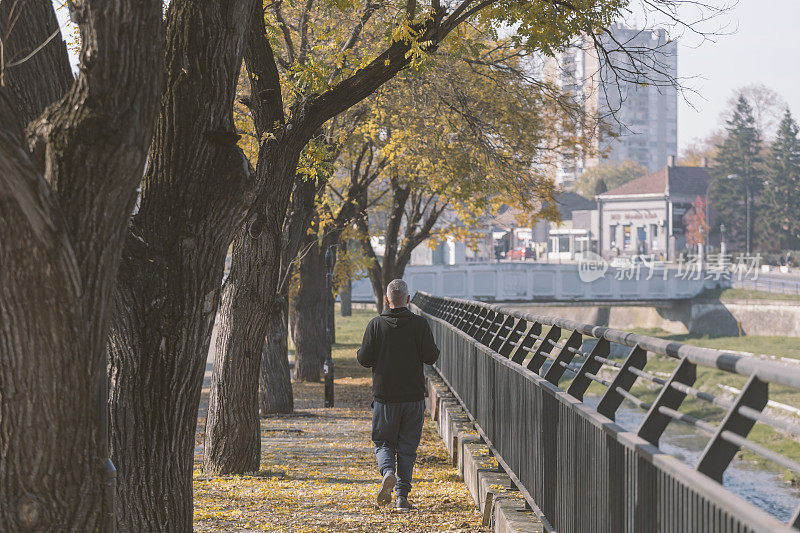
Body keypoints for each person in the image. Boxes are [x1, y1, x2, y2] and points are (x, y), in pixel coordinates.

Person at [356, 279, 440, 512]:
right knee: (407, 447)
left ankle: (388, 472)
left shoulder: (375, 325)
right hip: (412, 396)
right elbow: (431, 357)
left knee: (384, 442)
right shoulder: (419, 325)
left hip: (385, 397)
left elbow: (364, 359)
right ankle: (402, 497)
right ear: (408, 300)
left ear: (386, 300)